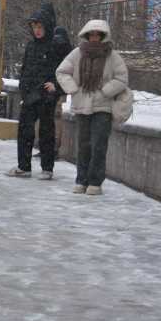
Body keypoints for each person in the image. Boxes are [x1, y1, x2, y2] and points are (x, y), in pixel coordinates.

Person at [56, 20, 128, 195]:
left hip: (103, 106)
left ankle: (95, 181)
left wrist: (105, 91)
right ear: (87, 35)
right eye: (92, 34)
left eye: (98, 34)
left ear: (103, 36)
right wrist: (73, 89)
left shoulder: (113, 56)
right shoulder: (77, 53)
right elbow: (61, 71)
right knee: (83, 145)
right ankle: (81, 180)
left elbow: (122, 78)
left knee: (99, 145)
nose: (95, 38)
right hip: (82, 105)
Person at [7, 3, 62, 180]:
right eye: (34, 27)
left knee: (46, 132)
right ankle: (24, 166)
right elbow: (26, 68)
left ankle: (47, 167)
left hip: (46, 95)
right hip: (30, 94)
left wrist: (55, 86)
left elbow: (63, 70)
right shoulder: (31, 45)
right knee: (24, 130)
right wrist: (23, 87)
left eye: (40, 27)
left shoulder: (55, 45)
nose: (37, 30)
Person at [50, 25, 74, 155]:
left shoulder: (51, 46)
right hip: (61, 88)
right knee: (57, 117)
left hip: (50, 87)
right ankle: (55, 147)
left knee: (49, 118)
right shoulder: (69, 49)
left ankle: (48, 147)